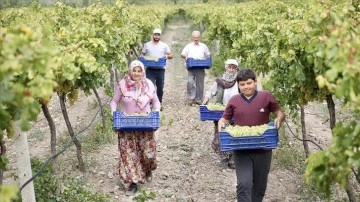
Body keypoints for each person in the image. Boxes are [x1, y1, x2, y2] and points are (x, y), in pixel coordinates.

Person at [218, 68, 285, 202]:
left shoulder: (265, 96)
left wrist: (279, 118)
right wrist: (221, 122)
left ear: (255, 82)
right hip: (241, 149)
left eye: (249, 83)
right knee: (244, 183)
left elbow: (279, 112)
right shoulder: (234, 100)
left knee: (259, 187)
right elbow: (225, 118)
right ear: (238, 85)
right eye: (242, 84)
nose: (246, 87)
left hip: (263, 150)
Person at [109, 60, 161, 195]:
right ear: (130, 71)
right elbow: (114, 101)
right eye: (134, 70)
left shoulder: (148, 84)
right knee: (129, 154)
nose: (136, 73)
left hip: (145, 124)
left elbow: (155, 101)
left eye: (139, 71)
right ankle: (132, 182)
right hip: (127, 124)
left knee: (147, 153)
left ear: (142, 71)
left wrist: (156, 111)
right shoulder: (122, 85)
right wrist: (114, 112)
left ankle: (147, 169)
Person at [202, 59, 240, 169]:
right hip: (221, 113)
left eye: (234, 68)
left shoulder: (238, 82)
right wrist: (206, 99)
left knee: (233, 135)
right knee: (221, 135)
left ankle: (232, 159)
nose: (231, 70)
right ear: (226, 68)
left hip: (235, 113)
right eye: (230, 67)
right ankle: (223, 157)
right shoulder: (220, 81)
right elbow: (210, 92)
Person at [141, 28, 173, 105]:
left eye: (158, 35)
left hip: (160, 69)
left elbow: (171, 55)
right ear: (153, 35)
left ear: (160, 36)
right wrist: (143, 58)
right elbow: (142, 54)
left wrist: (167, 56)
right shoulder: (147, 45)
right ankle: (150, 102)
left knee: (160, 87)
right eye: (155, 35)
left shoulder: (164, 45)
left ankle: (159, 102)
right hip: (150, 69)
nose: (156, 36)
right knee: (150, 86)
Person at [181, 30, 211, 106]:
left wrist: (208, 55)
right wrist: (185, 56)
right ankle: (191, 97)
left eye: (197, 37)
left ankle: (199, 99)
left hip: (201, 66)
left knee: (200, 84)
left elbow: (207, 54)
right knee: (190, 82)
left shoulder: (203, 46)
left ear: (199, 37)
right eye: (194, 37)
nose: (196, 39)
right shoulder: (189, 46)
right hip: (191, 66)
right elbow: (183, 53)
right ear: (192, 38)